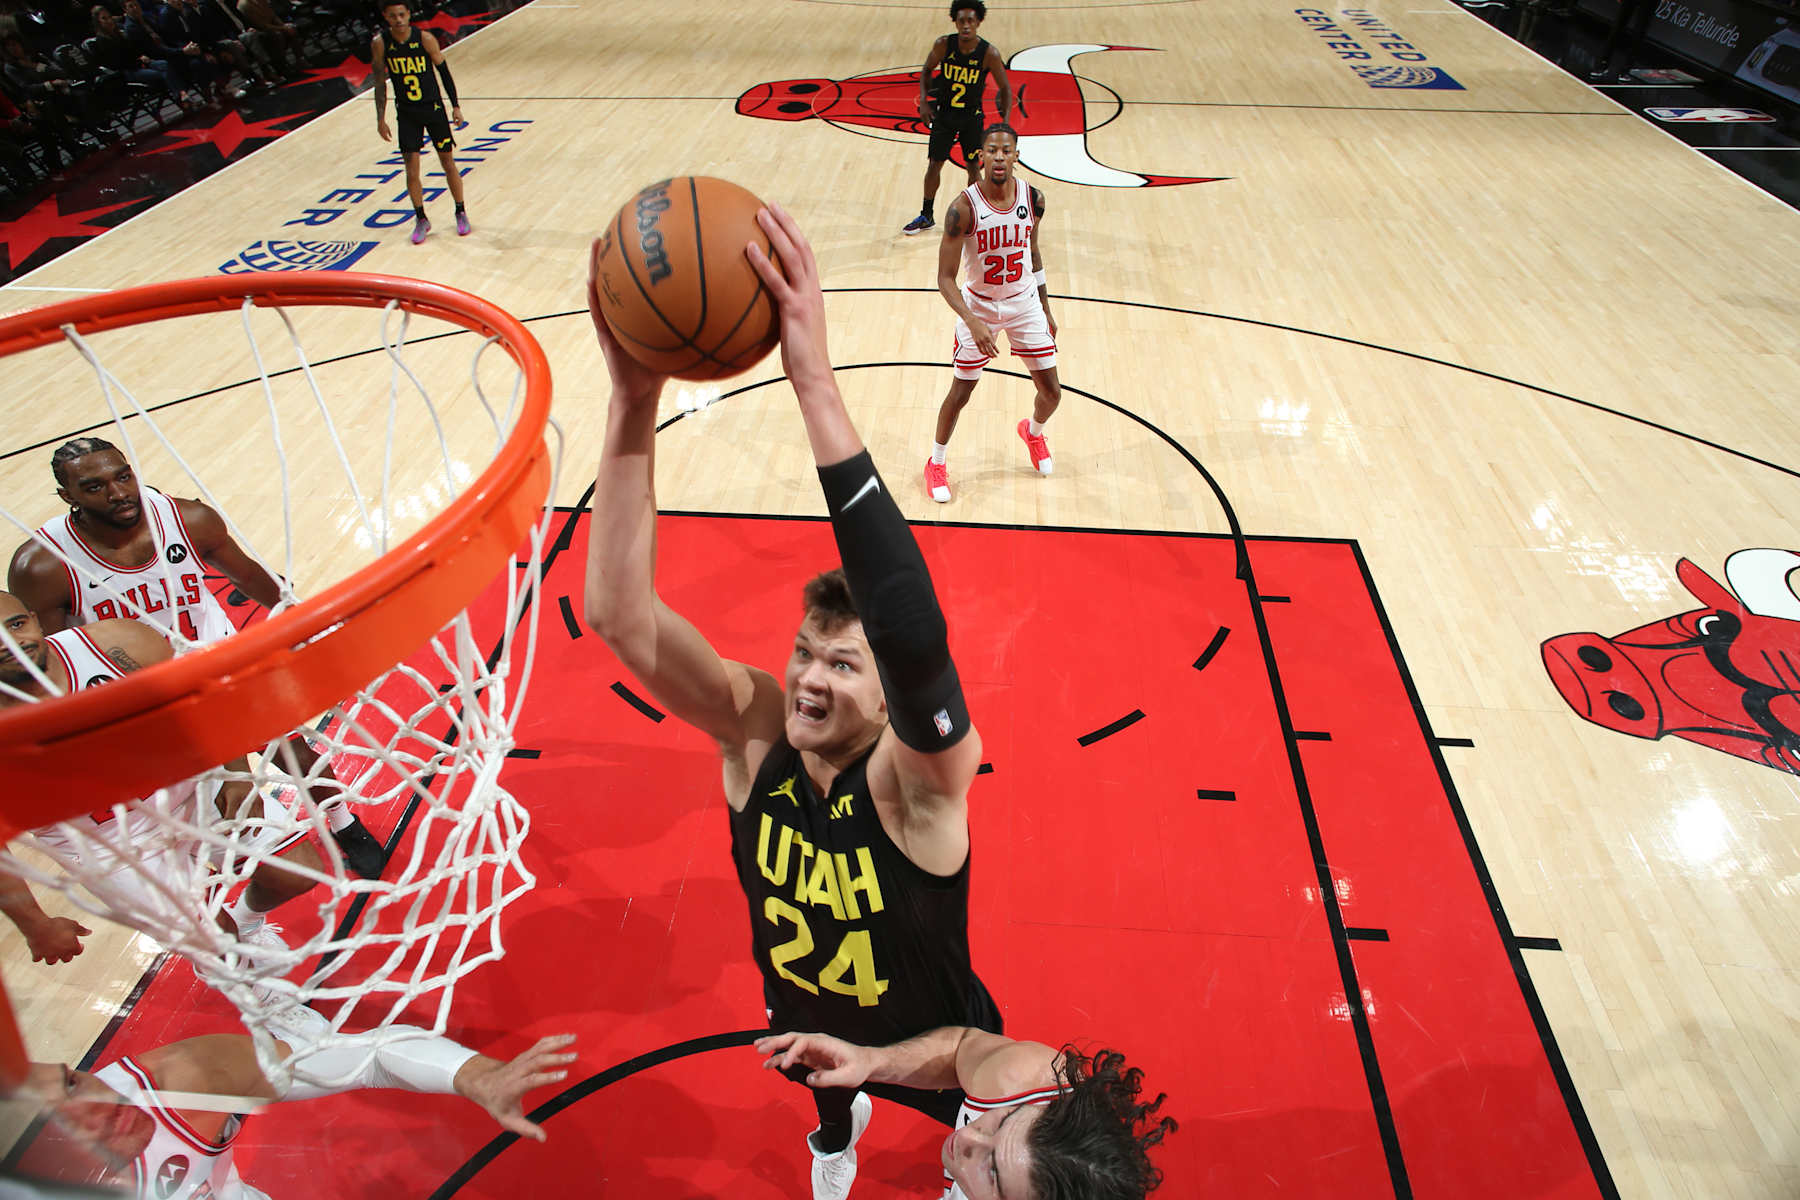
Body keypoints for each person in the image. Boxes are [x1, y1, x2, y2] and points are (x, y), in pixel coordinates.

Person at [584, 204, 999, 1199]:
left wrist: (812, 380)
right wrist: (631, 398)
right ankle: (832, 1140)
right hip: (803, 1006)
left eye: (843, 667)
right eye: (807, 653)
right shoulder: (756, 727)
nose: (811, 677)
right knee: (819, 1088)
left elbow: (912, 635)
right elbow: (618, 618)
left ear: (886, 690)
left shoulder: (920, 785)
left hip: (932, 1034)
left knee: (972, 1149)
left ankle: (951, 1167)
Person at [6, 438, 386, 879]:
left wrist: (306, 624)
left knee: (292, 749)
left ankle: (342, 821)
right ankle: (214, 887)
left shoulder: (187, 518)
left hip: (214, 657)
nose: (118, 493)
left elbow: (251, 575)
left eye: (123, 476)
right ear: (67, 496)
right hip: (137, 690)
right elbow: (53, 656)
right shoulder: (43, 566)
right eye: (94, 487)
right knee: (209, 799)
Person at [0, 593, 330, 966]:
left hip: (192, 785)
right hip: (107, 843)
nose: (10, 641)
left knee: (297, 872)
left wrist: (237, 773)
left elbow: (202, 699)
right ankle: (272, 1009)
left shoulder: (114, 643)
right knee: (216, 943)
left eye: (15, 625)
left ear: (34, 619)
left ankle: (248, 920)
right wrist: (35, 924)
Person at [13, 1011, 576, 1197]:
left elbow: (371, 1056)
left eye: (71, 1081)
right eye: (55, 1119)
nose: (95, 1101)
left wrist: (474, 1075)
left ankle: (284, 1012)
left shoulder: (176, 1082)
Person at [758, 1026, 1176, 1200]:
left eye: (993, 1171)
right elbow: (961, 1047)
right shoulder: (1017, 1080)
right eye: (1006, 1122)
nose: (968, 1136)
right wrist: (871, 1060)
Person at [924, 122, 1059, 504]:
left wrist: (1046, 307)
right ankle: (935, 462)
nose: (999, 157)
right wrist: (972, 320)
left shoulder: (1034, 199)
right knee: (961, 392)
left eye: (1006, 150)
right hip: (979, 305)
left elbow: (1032, 254)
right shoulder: (961, 209)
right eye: (992, 151)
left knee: (1051, 392)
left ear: (1016, 154)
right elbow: (945, 279)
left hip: (1024, 302)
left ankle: (1032, 432)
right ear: (979, 156)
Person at [902, 1, 1011, 236]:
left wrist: (1006, 125)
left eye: (971, 21)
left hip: (971, 117)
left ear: (978, 22)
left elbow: (1005, 87)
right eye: (961, 21)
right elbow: (926, 70)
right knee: (934, 164)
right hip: (944, 115)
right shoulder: (944, 45)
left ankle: (976, 215)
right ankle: (926, 214)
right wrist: (923, 101)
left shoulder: (989, 53)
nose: (966, 26)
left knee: (973, 166)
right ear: (955, 21)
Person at [372, 0, 469, 245]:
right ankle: (421, 218)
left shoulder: (425, 39)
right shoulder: (380, 43)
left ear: (409, 14)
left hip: (433, 108)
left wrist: (455, 106)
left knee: (448, 162)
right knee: (411, 169)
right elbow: (379, 82)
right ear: (386, 17)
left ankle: (460, 211)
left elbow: (444, 73)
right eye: (393, 15)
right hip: (407, 112)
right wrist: (380, 118)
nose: (399, 20)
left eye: (402, 14)